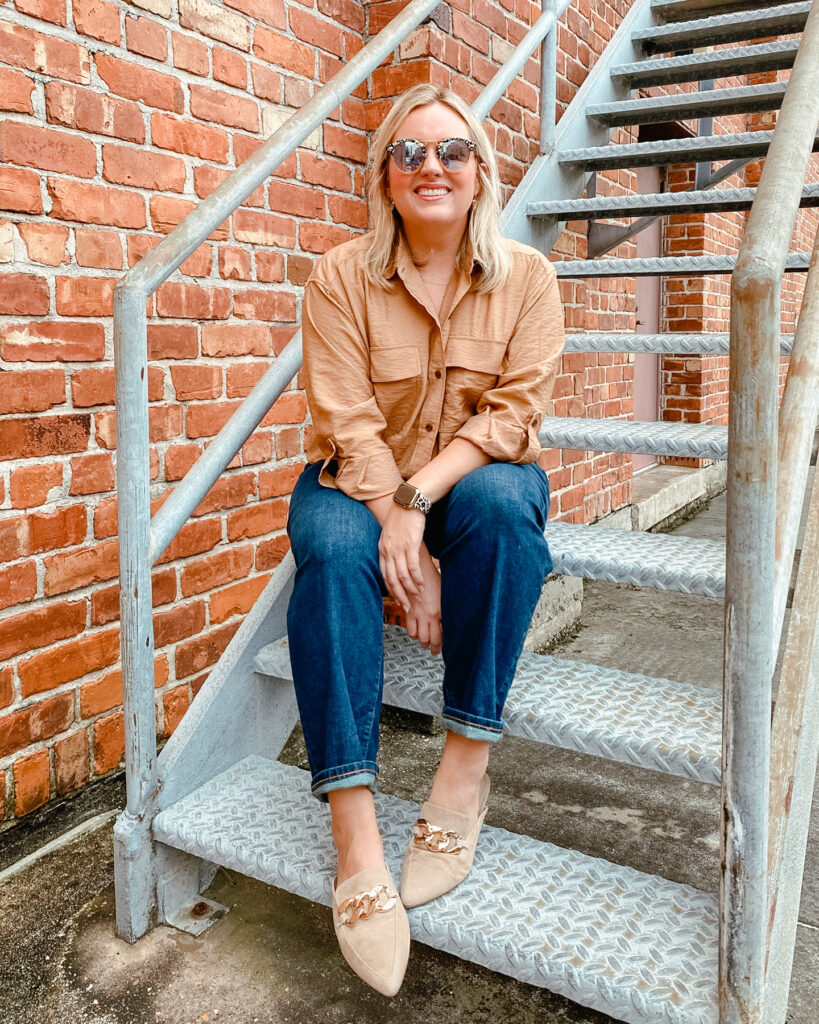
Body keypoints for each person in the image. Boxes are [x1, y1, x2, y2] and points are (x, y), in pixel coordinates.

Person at [285, 82, 565, 996]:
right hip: (355, 482)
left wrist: (418, 505)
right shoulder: (337, 276)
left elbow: (514, 416)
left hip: (453, 482)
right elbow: (348, 424)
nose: (429, 167)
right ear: (384, 180)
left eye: (450, 151)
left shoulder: (526, 277)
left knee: (505, 506)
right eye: (408, 153)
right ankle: (354, 831)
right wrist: (397, 532)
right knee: (328, 553)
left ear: (480, 173)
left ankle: (463, 765)